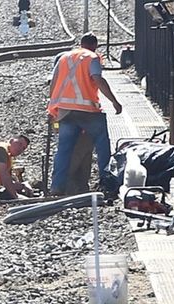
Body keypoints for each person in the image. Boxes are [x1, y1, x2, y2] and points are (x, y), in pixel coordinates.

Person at [47, 32, 122, 195]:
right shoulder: (92, 57)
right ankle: (106, 182)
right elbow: (97, 79)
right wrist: (114, 101)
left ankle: (57, 186)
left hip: (65, 111)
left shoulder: (64, 58)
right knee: (102, 145)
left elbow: (53, 83)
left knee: (63, 149)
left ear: (81, 43)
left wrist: (52, 109)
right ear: (95, 46)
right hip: (88, 111)